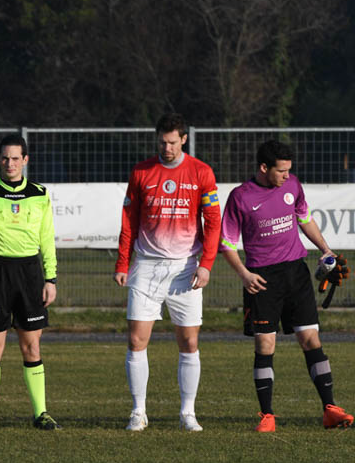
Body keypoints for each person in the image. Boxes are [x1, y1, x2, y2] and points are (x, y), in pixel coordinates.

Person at [219, 140, 353, 432]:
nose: (286, 176)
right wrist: (244, 274)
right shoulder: (240, 197)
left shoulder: (293, 185)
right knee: (265, 344)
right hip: (262, 278)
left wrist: (326, 250)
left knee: (311, 340)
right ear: (263, 167)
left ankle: (330, 410)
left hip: (296, 273)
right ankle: (267, 415)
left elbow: (305, 218)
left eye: (289, 170)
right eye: (280, 171)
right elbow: (227, 243)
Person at [114, 113, 221, 432]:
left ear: (184, 139)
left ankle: (188, 412)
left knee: (189, 341)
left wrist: (206, 264)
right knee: (136, 340)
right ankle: (138, 411)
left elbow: (213, 222)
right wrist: (122, 263)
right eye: (162, 142)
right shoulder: (141, 171)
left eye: (173, 142)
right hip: (146, 266)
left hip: (185, 268)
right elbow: (129, 220)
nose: (167, 148)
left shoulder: (201, 172)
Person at [0, 134, 59, 431]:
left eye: (15, 158)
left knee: (32, 347)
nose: (10, 163)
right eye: (5, 158)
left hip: (30, 273)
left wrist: (50, 278)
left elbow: (47, 239)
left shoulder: (40, 194)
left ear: (25, 160)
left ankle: (41, 413)